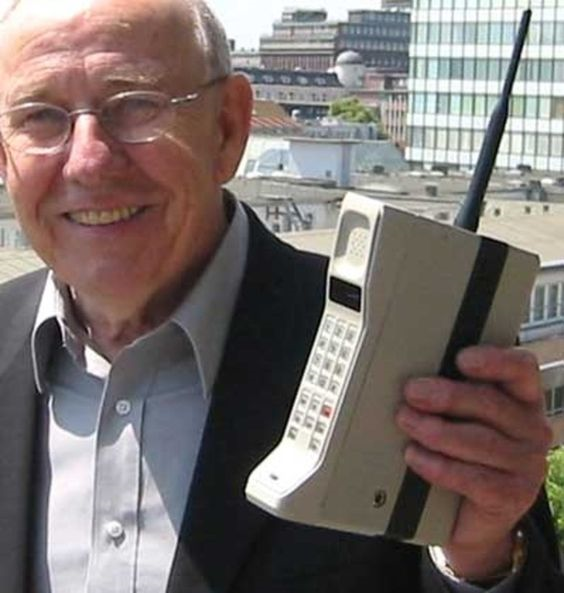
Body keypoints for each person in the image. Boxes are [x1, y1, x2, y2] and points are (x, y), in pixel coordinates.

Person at [0, 0, 560, 591]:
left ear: (228, 127)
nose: (88, 161)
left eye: (136, 105)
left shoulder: (407, 345)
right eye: (39, 117)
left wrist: (481, 558)